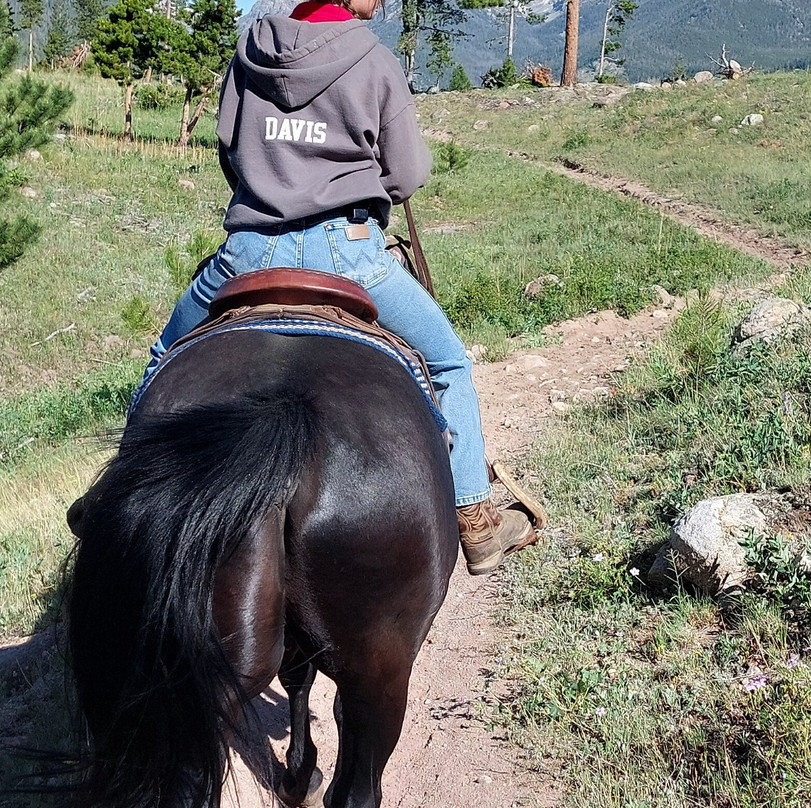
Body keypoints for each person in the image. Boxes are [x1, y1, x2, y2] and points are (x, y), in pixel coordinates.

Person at [141, 0, 534, 574]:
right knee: (450, 364)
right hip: (347, 256)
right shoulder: (373, 59)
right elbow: (407, 175)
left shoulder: (250, 53)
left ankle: (118, 494)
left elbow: (229, 149)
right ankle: (474, 518)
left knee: (163, 356)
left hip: (249, 252)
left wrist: (272, 186)